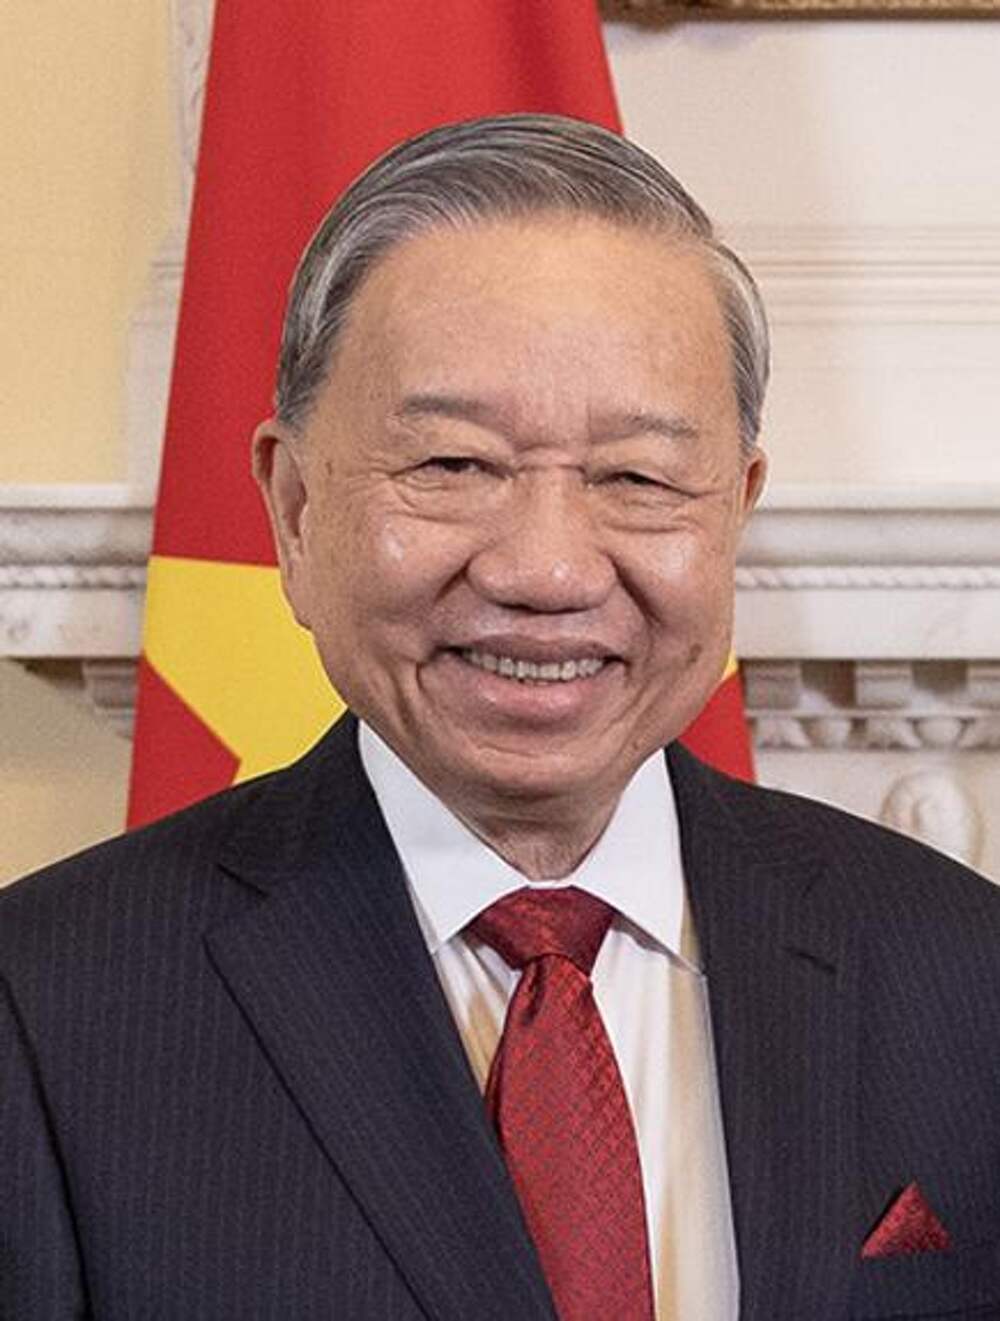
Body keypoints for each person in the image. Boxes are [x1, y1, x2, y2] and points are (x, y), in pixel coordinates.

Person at [2, 115, 999, 1321]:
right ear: (296, 508)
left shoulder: (963, 973)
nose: (546, 568)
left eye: (636, 477)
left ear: (734, 509)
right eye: (453, 466)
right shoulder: (44, 1008)